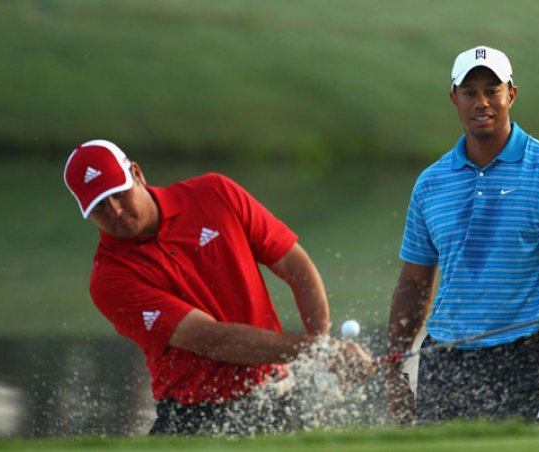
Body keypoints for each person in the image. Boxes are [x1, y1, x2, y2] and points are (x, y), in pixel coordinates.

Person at [63, 139, 372, 435]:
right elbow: (211, 340)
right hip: (195, 415)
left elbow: (295, 267)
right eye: (100, 207)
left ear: (137, 174)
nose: (115, 210)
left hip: (276, 394)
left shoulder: (214, 193)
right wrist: (317, 350)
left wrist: (321, 345)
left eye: (119, 193)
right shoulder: (109, 279)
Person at [385, 45, 539, 425]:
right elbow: (413, 283)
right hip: (444, 360)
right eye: (469, 92)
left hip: (521, 360)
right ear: (454, 99)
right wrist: (396, 365)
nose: (481, 102)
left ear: (511, 94)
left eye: (491, 90)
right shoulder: (431, 183)